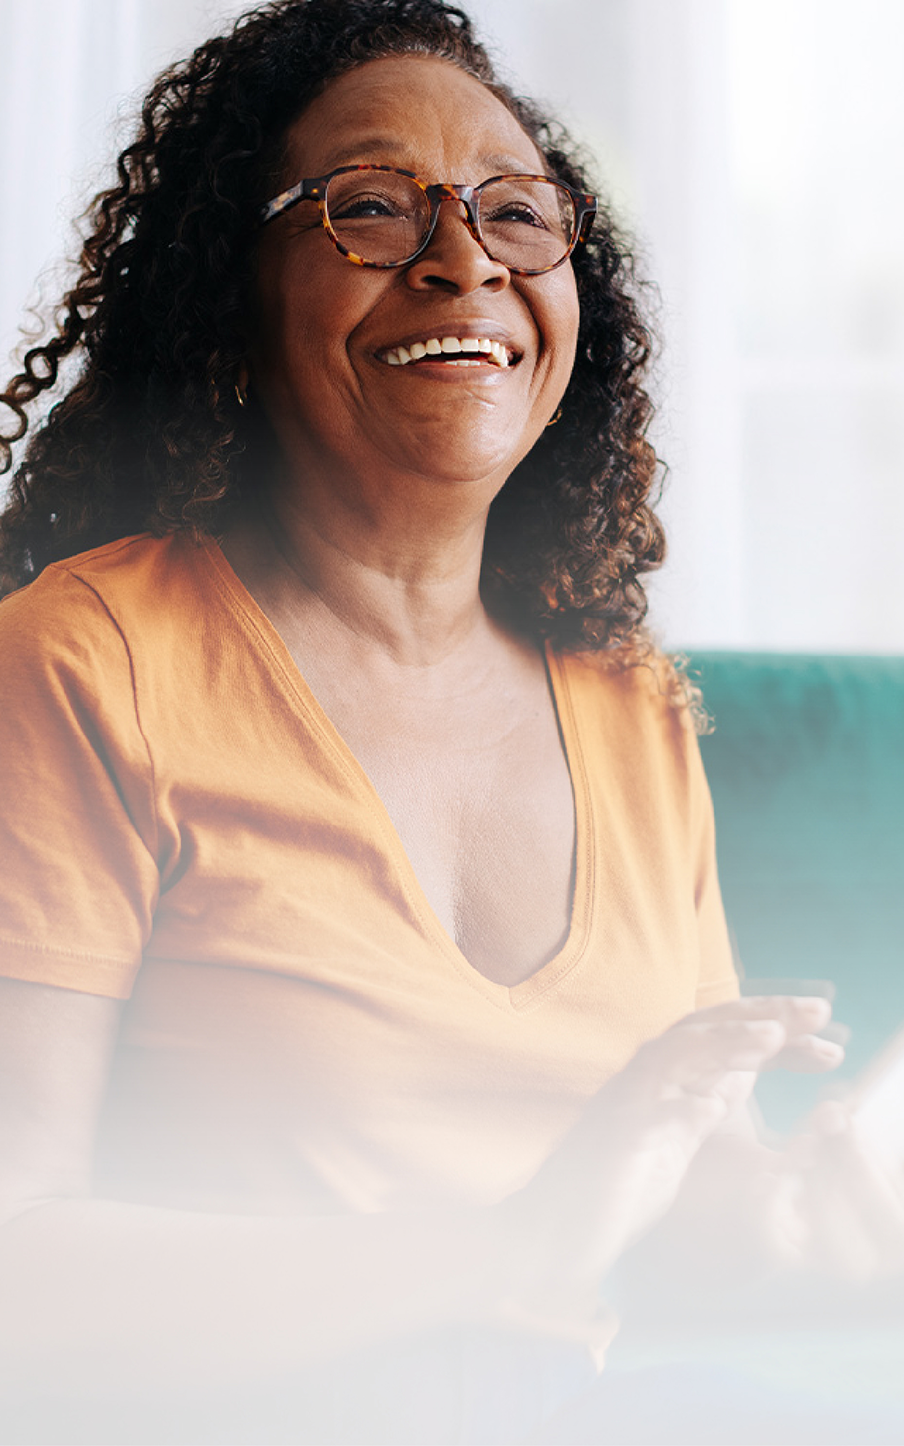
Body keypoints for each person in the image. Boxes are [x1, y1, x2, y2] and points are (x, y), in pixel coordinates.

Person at [0, 3, 898, 1443]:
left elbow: (671, 1202)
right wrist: (504, 1245)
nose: (462, 257)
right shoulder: (85, 659)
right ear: (231, 292)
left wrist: (818, 1220)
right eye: (368, 207)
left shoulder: (627, 700)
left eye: (516, 213)